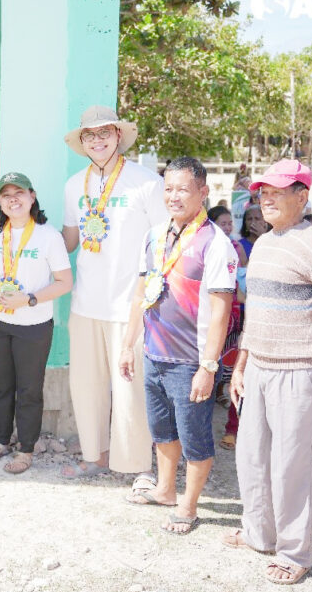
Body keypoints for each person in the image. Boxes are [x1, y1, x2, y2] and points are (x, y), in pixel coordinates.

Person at [224, 159, 312, 585]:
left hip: (301, 372)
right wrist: (241, 364)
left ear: (302, 196)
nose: (266, 197)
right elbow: (255, 315)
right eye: (263, 190)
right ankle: (259, 533)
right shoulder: (264, 244)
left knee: (292, 465)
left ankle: (294, 551)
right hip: (260, 369)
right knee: (251, 459)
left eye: (278, 190)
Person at [119, 158, 236, 535]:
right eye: (168, 188)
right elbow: (141, 292)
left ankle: (188, 504)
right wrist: (127, 345)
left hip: (190, 361)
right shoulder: (154, 235)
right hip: (154, 352)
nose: (174, 196)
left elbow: (221, 311)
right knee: (162, 429)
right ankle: (166, 490)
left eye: (183, 189)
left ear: (203, 192)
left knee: (195, 436)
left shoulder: (216, 243)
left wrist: (209, 366)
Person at [60, 105, 167, 479]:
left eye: (105, 132)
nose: (98, 140)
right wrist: (30, 241)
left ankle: (137, 466)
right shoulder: (74, 185)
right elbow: (70, 240)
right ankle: (95, 456)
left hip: (131, 306)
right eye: (90, 135)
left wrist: (156, 295)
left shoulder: (146, 182)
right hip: (86, 303)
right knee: (86, 386)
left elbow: (164, 240)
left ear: (118, 136)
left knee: (130, 392)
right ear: (82, 142)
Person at [0, 173, 72, 474]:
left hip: (34, 326)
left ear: (32, 196)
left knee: (29, 390)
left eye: (19, 193)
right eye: (5, 195)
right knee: (0, 387)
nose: (13, 199)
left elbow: (65, 282)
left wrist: (29, 299)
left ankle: (26, 449)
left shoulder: (48, 235)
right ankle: (1, 440)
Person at [207, 205, 246, 450]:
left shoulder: (236, 246)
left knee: (236, 375)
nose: (228, 227)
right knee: (208, 372)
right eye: (223, 223)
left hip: (233, 320)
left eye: (230, 222)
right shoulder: (205, 247)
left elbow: (241, 291)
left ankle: (233, 427)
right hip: (210, 320)